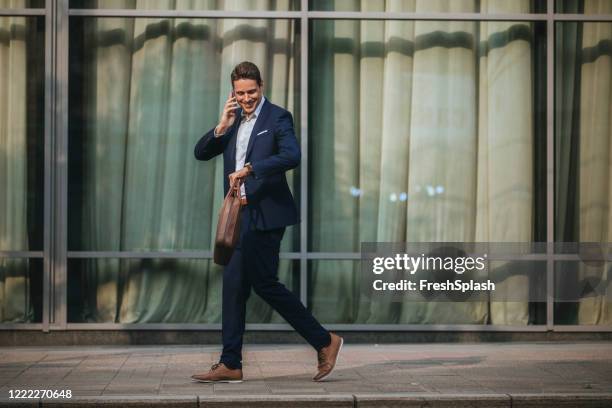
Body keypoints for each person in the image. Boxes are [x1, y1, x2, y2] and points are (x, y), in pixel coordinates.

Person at [192, 61, 343, 383]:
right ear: (232, 93)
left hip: (266, 217)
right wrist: (221, 125)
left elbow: (292, 156)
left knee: (264, 284)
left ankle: (325, 340)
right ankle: (231, 362)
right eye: (240, 93)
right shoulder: (233, 121)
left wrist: (251, 168)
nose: (246, 98)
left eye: (251, 92)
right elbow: (201, 153)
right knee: (235, 287)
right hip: (239, 217)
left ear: (262, 87)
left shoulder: (277, 117)